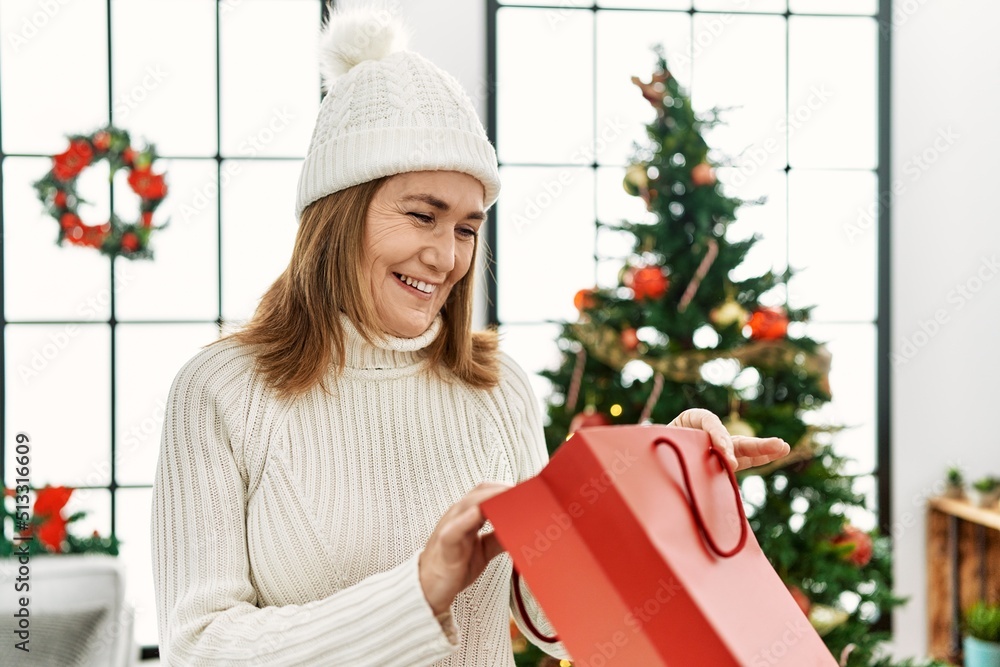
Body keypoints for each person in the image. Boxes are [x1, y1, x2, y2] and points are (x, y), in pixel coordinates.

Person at [150, 5, 791, 666]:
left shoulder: (497, 389)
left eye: (465, 227)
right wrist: (419, 591)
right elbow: (199, 646)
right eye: (422, 216)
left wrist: (664, 481)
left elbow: (558, 616)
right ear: (338, 217)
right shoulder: (222, 393)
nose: (446, 256)